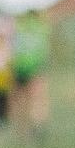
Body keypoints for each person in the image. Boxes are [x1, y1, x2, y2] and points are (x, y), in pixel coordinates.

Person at [10, 9, 52, 140]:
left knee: (20, 100)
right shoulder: (42, 27)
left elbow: (12, 49)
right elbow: (44, 50)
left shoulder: (18, 27)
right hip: (36, 68)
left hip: (20, 67)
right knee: (38, 99)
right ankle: (37, 124)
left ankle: (22, 129)